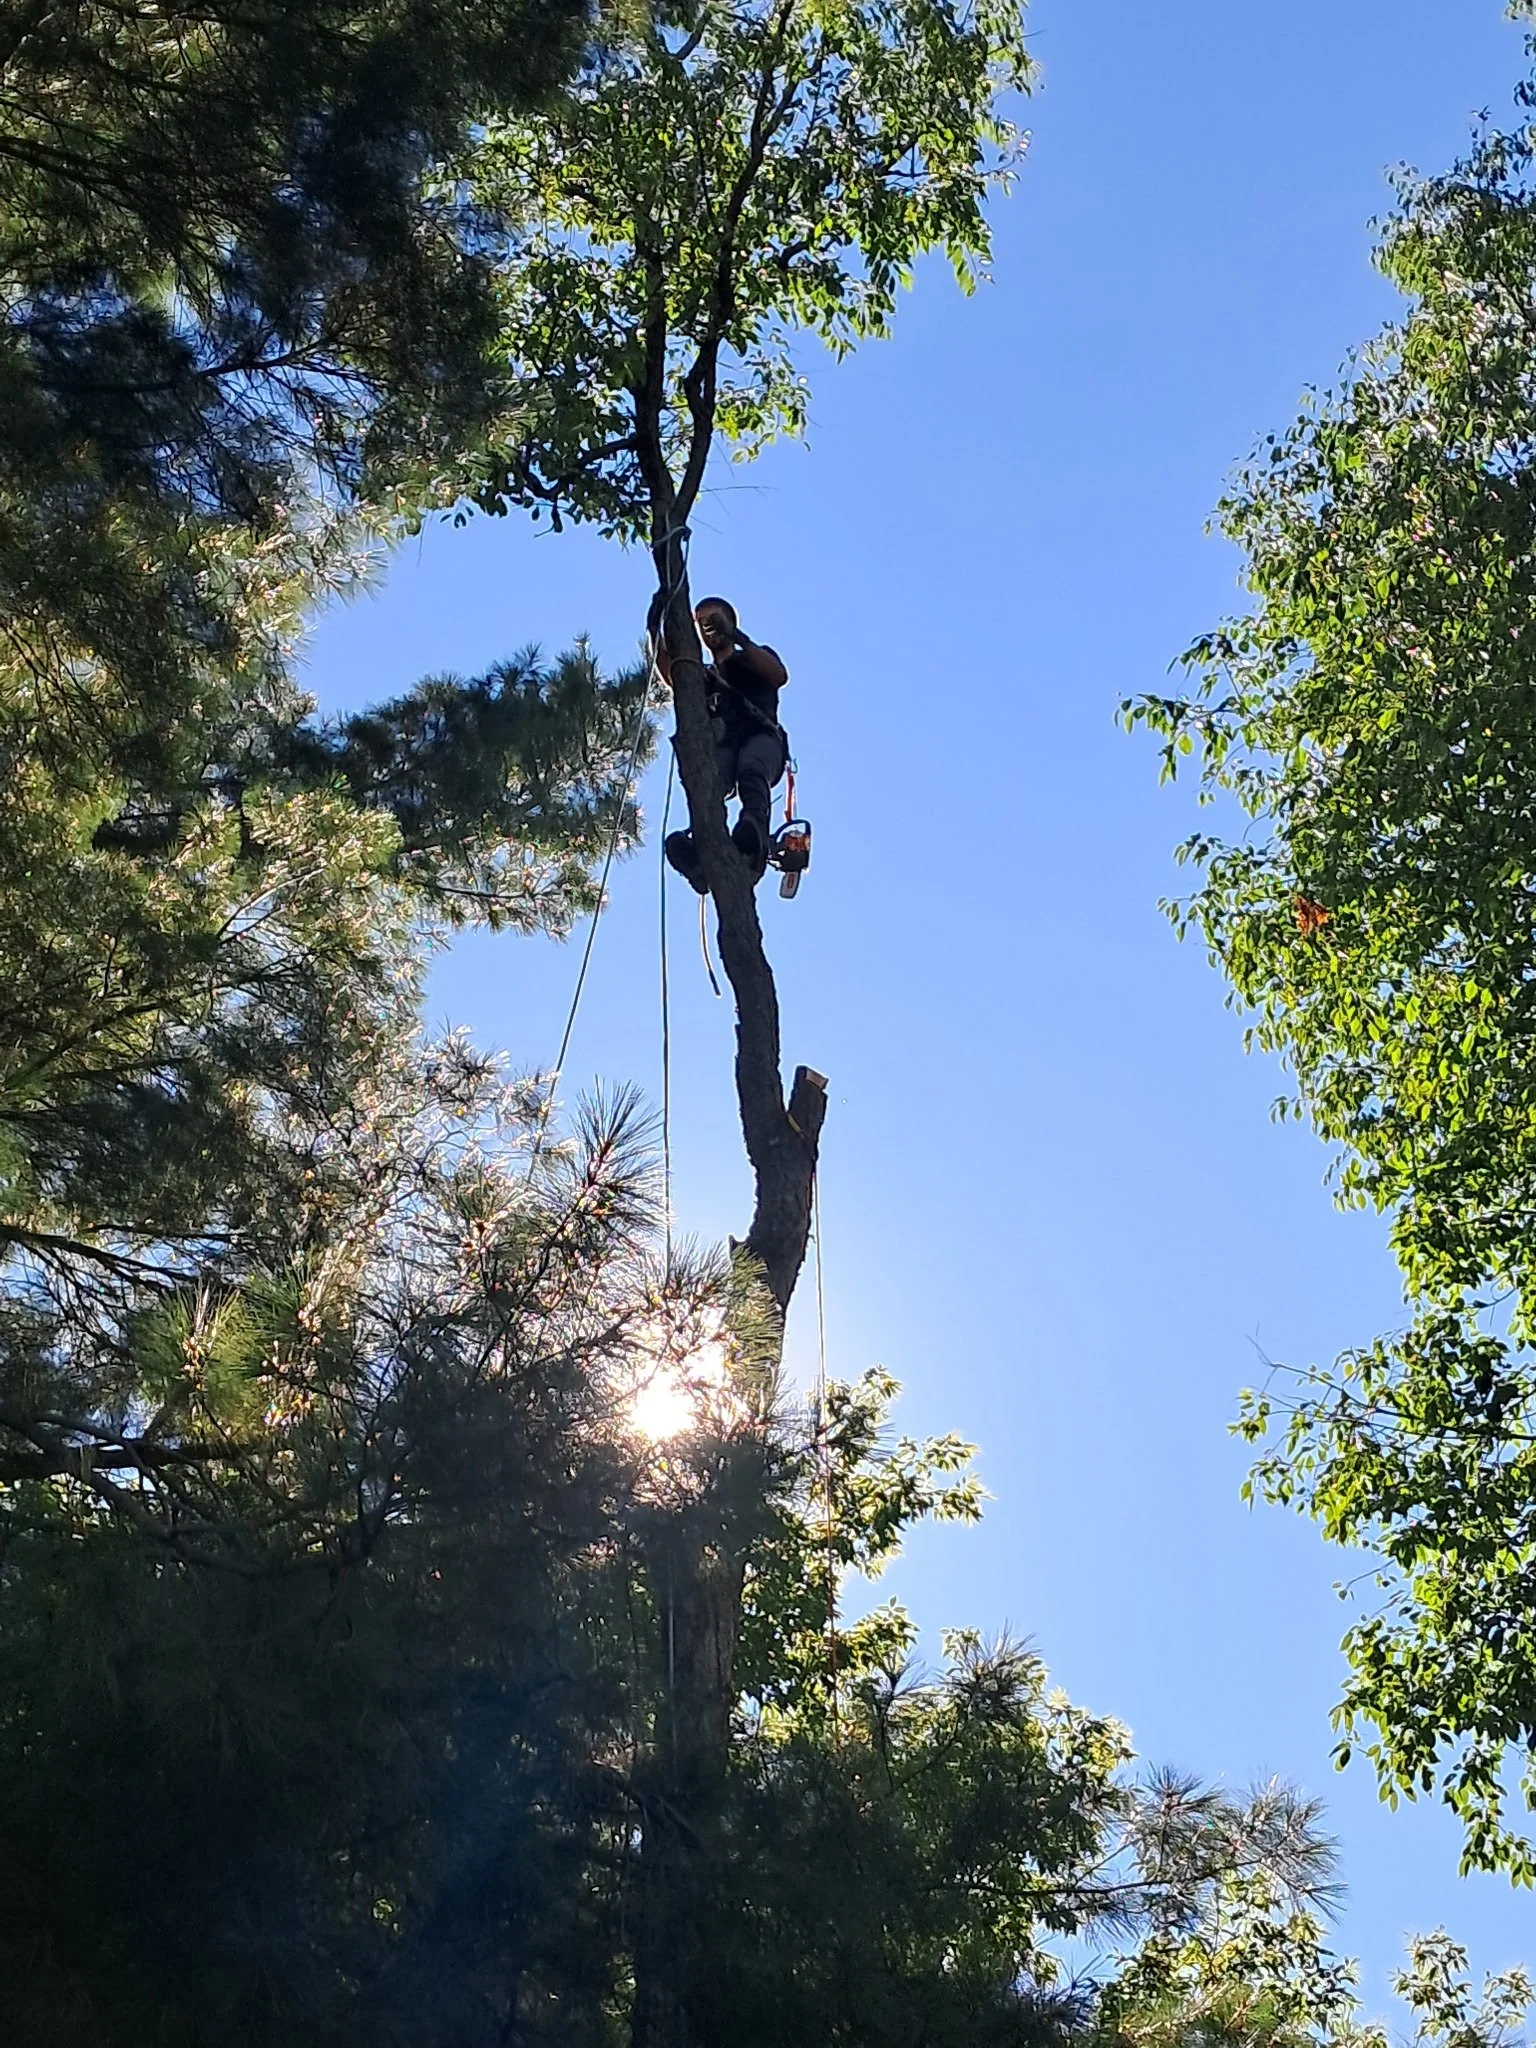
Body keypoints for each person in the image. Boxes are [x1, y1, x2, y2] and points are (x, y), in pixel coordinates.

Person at [662, 596, 788, 892]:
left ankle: (753, 833)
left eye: (715, 620)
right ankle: (701, 852)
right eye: (703, 623)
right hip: (725, 745)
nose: (710, 629)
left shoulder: (751, 659)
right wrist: (657, 632)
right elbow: (673, 676)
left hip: (761, 738)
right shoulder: (702, 677)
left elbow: (778, 675)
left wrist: (736, 637)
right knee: (707, 781)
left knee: (751, 769)